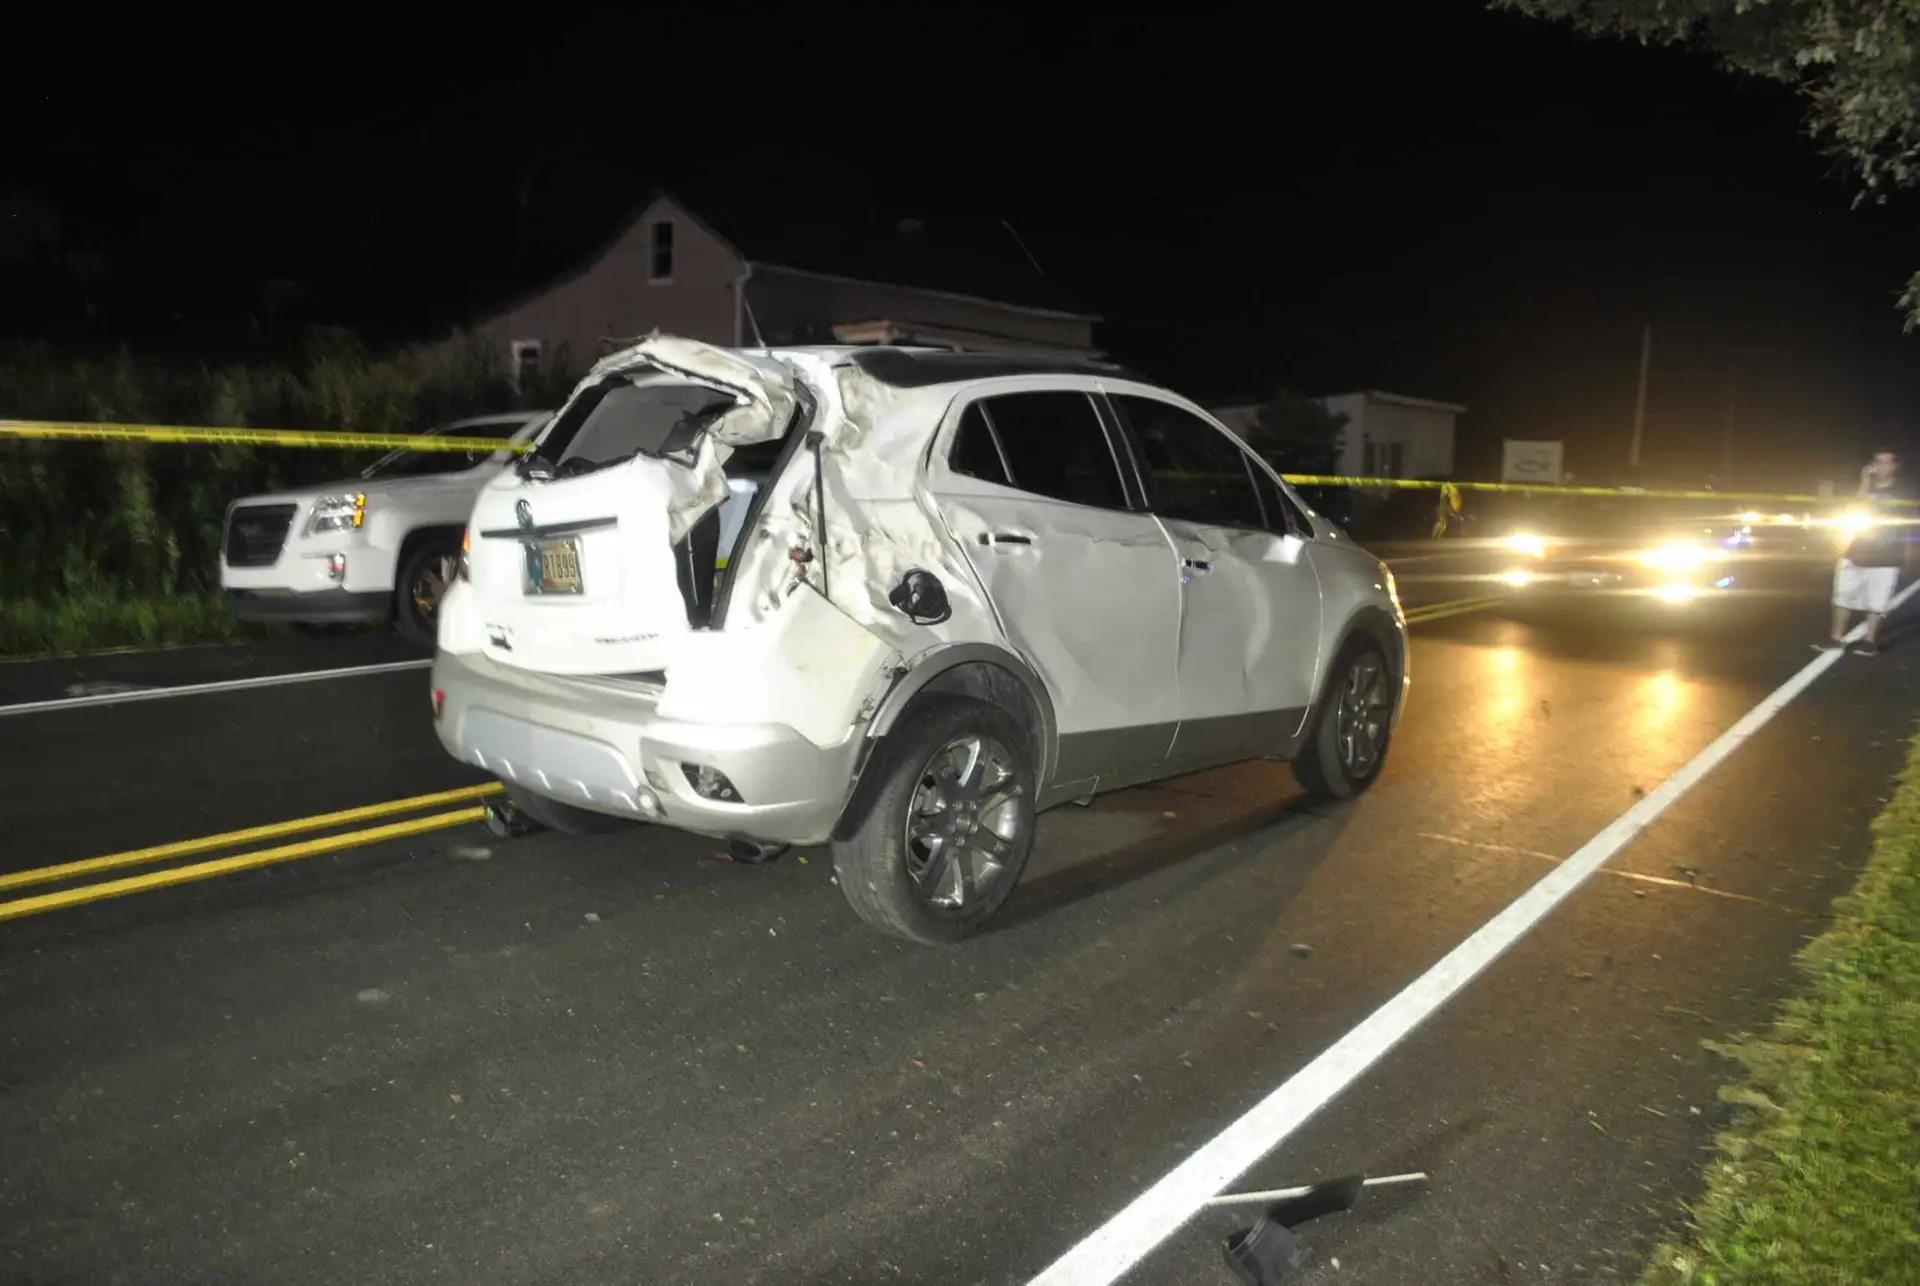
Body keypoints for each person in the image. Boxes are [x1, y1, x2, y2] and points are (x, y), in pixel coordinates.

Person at [1825, 450, 1912, 656]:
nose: (1880, 466)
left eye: (1885, 462)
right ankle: (1835, 638)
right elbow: (1854, 508)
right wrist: (1864, 482)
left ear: (1894, 466)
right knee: (1842, 596)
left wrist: (1908, 552)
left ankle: (1869, 642)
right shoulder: (1864, 487)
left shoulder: (1904, 491)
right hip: (1856, 552)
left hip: (1886, 557)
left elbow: (1907, 522)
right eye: (1877, 461)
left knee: (1877, 601)